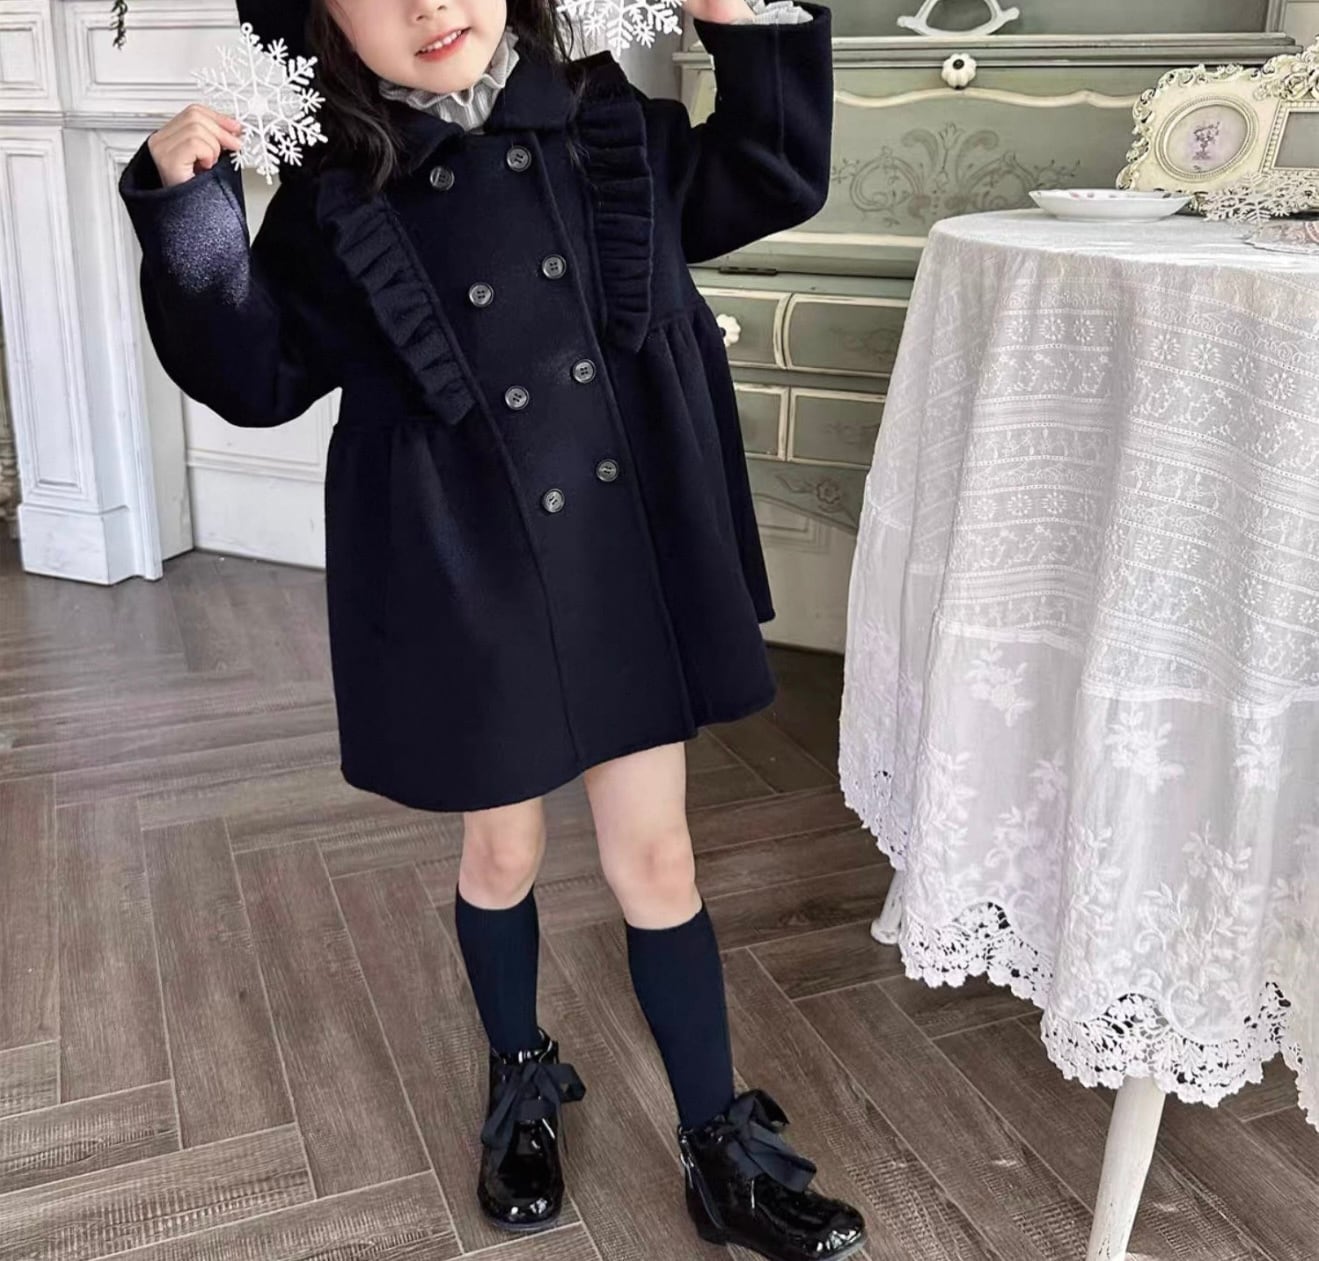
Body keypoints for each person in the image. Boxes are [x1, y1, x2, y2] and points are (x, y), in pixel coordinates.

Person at [118, 0, 865, 1256]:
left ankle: (716, 1144)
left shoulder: (601, 121)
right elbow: (253, 374)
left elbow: (771, 169)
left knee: (657, 859)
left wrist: (747, 23)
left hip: (621, 556)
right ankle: (518, 1073)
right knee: (502, 850)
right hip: (471, 571)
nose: (426, 6)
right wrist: (187, 210)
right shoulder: (333, 194)